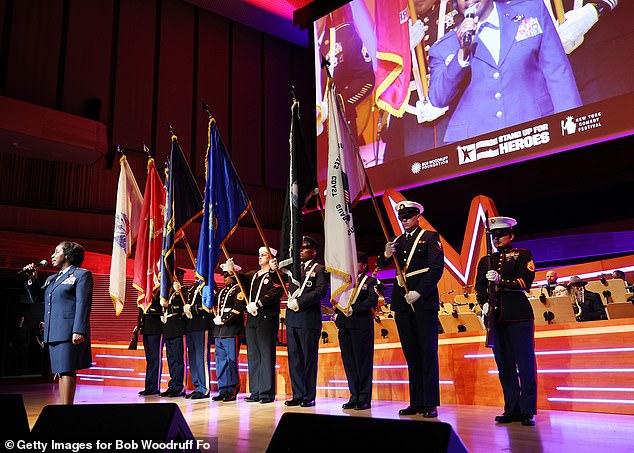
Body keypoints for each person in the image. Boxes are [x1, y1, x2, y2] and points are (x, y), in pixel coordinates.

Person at [428, 0, 582, 144]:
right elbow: (438, 98)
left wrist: (571, 128)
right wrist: (461, 55)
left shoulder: (531, 11)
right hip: (478, 147)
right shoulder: (443, 47)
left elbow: (558, 74)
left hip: (536, 132)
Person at [377, 200, 444, 418]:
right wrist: (386, 254)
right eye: (402, 216)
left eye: (408, 215)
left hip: (422, 300)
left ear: (418, 216)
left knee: (427, 352)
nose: (404, 219)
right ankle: (416, 401)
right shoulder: (397, 240)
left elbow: (436, 269)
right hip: (402, 300)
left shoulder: (430, 237)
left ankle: (430, 402)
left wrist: (421, 292)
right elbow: (380, 265)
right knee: (412, 354)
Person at [475, 216, 537, 426]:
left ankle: (527, 410)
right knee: (505, 365)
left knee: (525, 363)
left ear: (511, 235)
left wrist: (502, 281)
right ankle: (511, 408)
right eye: (494, 236)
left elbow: (525, 281)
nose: (497, 239)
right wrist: (484, 303)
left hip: (518, 315)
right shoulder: (486, 260)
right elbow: (480, 287)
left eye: (501, 235)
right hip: (496, 317)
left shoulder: (522, 255)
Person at [23, 241, 93, 405]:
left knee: (67, 370)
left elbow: (83, 303)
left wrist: (79, 330)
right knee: (61, 371)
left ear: (67, 255)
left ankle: (66, 410)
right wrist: (33, 279)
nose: (52, 256)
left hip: (69, 331)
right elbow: (39, 298)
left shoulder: (81, 275)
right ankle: (63, 408)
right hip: (54, 331)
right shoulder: (52, 279)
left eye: (56, 252)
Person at [284, 236, 329, 407]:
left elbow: (321, 291)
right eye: (300, 248)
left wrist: (300, 302)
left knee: (308, 359)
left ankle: (308, 396)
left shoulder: (320, 269)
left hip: (308, 319)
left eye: (304, 248)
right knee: (294, 359)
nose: (300, 251)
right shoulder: (294, 270)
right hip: (292, 319)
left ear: (314, 251)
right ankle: (297, 394)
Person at [336, 251, 379, 411]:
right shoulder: (344, 282)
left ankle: (364, 397)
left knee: (363, 362)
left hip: (361, 325)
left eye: (356, 263)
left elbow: (372, 300)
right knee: (349, 362)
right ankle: (354, 396)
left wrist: (354, 308)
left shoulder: (371, 281)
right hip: (345, 326)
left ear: (364, 265)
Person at [244, 247, 284, 404]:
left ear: (272, 257)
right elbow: (240, 279)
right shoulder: (254, 275)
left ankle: (266, 393)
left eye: (263, 254)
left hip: (267, 317)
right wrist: (233, 269)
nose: (259, 257)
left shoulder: (275, 275)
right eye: (259, 254)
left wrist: (259, 303)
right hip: (253, 318)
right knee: (253, 355)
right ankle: (255, 391)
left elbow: (276, 292)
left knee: (266, 354)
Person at [211, 259, 247, 402]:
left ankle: (232, 389)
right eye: (224, 276)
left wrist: (224, 319)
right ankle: (223, 389)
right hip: (219, 331)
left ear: (234, 275)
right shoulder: (222, 291)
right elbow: (213, 305)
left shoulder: (239, 289)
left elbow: (238, 309)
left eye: (227, 275)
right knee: (220, 361)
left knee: (231, 361)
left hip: (232, 330)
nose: (225, 278)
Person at [160, 267, 187, 397]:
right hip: (168, 328)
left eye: (178, 276)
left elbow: (185, 305)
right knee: (171, 360)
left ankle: (179, 386)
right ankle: (172, 385)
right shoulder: (168, 292)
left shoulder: (184, 291)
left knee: (178, 359)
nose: (176, 279)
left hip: (178, 327)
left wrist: (179, 291)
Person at [183, 279, 212, 399]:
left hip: (201, 324)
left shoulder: (209, 283)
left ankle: (204, 388)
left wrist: (193, 309)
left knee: (202, 358)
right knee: (193, 359)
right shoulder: (193, 286)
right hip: (191, 326)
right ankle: (197, 386)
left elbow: (208, 304)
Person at [137, 293, 163, 396]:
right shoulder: (145, 290)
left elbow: (161, 308)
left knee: (155, 359)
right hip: (146, 327)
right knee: (149, 359)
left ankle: (154, 387)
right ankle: (148, 386)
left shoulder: (160, 290)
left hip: (156, 327)